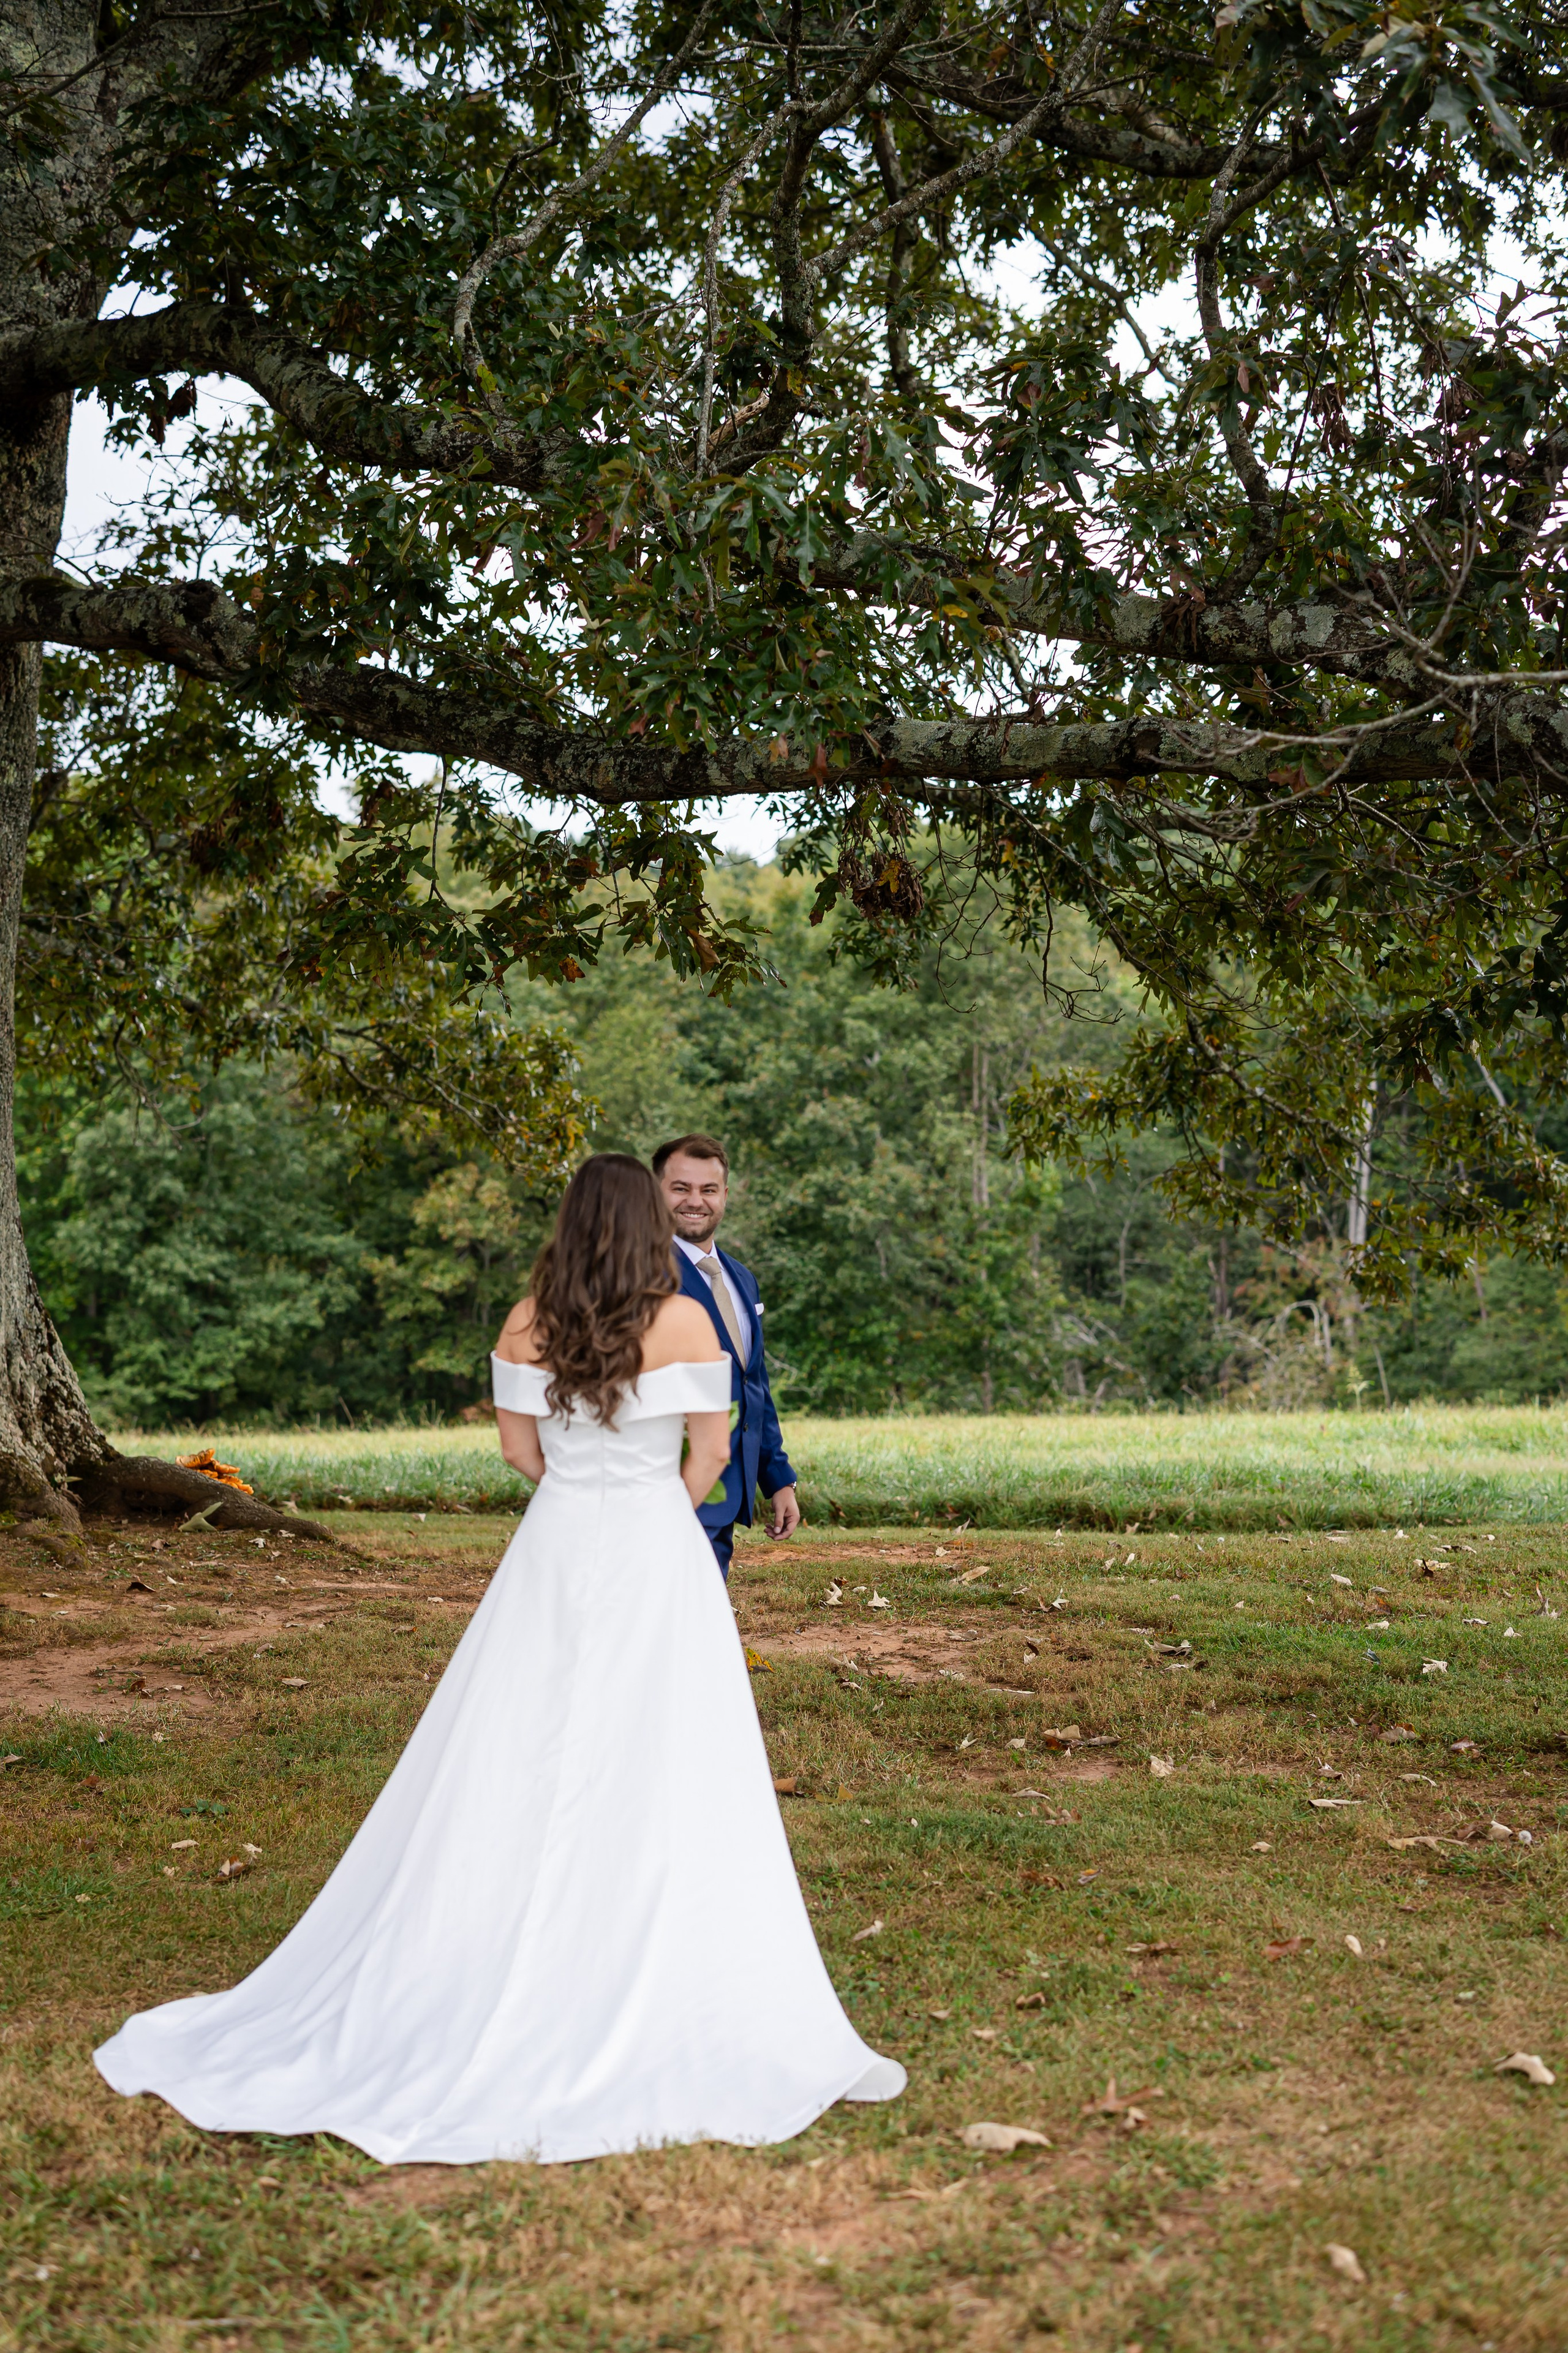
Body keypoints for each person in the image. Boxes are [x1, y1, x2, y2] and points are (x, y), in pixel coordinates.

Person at [93, 1154, 904, 2164]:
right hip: (657, 1547)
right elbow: (709, 1448)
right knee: (665, 1744)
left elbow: (522, 1456)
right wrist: (656, 1503)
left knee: (524, 1735)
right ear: (649, 1224)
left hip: (557, 1547)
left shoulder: (528, 1321)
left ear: (570, 1223)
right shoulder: (687, 1321)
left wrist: (584, 1486)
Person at [654, 1133, 799, 1580]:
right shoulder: (641, 1278)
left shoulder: (741, 1278)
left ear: (725, 1195)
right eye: (681, 1188)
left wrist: (777, 1478)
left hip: (728, 1494)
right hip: (672, 1490)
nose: (695, 1201)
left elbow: (753, 1380)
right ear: (656, 1190)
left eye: (708, 1189)